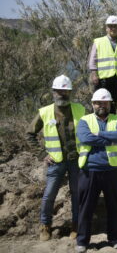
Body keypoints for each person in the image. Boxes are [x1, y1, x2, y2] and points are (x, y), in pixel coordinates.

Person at [27, 75, 86, 241]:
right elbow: (29, 134)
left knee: (77, 194)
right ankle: (45, 226)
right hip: (55, 162)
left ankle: (76, 226)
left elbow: (90, 131)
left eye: (65, 91)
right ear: (54, 92)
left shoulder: (80, 109)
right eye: (59, 91)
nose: (62, 94)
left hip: (76, 160)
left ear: (70, 92)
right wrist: (41, 154)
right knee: (49, 195)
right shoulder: (45, 112)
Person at [75, 89, 117, 253]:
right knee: (86, 208)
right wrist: (109, 140)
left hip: (113, 170)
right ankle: (82, 241)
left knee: (114, 206)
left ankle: (115, 238)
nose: (101, 105)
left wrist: (98, 134)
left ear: (110, 104)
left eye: (105, 102)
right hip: (90, 170)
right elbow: (85, 138)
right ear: (93, 104)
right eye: (98, 103)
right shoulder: (84, 121)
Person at [88, 15, 117, 113]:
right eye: (110, 26)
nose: (113, 28)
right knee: (99, 103)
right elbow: (93, 59)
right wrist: (94, 74)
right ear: (106, 28)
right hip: (102, 79)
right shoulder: (98, 41)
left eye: (115, 26)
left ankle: (112, 121)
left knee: (113, 104)